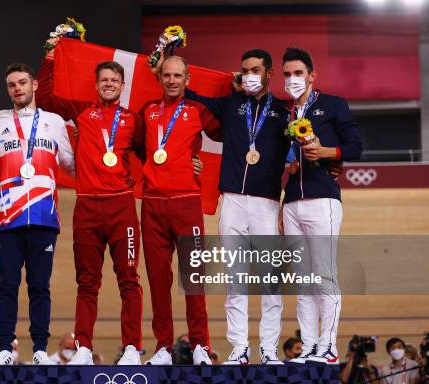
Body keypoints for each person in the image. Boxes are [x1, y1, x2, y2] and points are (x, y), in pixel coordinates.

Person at [36, 38, 144, 365]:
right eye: (104, 80)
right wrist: (51, 56)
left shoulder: (132, 120)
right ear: (96, 85)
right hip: (87, 209)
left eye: (114, 80)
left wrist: (190, 163)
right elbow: (45, 98)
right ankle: (83, 347)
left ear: (122, 86)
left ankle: (131, 349)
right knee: (87, 282)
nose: (109, 84)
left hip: (122, 207)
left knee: (129, 279)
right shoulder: (81, 111)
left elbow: (152, 156)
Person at [181, 49, 290, 365]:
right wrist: (165, 63)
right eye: (244, 70)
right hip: (232, 201)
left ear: (269, 72)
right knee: (235, 277)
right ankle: (239, 347)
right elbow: (188, 94)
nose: (249, 75)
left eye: (256, 69)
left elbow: (297, 150)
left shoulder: (283, 112)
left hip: (266, 203)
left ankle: (268, 348)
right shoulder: (230, 105)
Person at [0, 63, 75, 366]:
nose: (18, 88)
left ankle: (38, 350)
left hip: (43, 215)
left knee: (39, 286)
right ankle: (5, 350)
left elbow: (71, 164)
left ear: (34, 85)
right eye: (12, 85)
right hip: (7, 218)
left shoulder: (54, 122)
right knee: (7, 285)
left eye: (22, 82)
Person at [280, 47, 363, 365]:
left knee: (324, 275)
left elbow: (356, 148)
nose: (292, 79)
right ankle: (310, 345)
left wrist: (328, 154)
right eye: (287, 74)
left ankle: (328, 345)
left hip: (323, 200)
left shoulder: (332, 105)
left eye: (298, 73)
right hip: (292, 203)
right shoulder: (284, 113)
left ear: (312, 76)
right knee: (302, 279)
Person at [141, 55, 220, 366]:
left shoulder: (197, 110)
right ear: (160, 78)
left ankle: (200, 343)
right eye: (167, 75)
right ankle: (162, 347)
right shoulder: (147, 112)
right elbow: (136, 146)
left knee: (194, 278)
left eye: (178, 76)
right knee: (158, 279)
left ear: (188, 80)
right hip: (153, 204)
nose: (172, 80)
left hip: (187, 202)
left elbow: (227, 133)